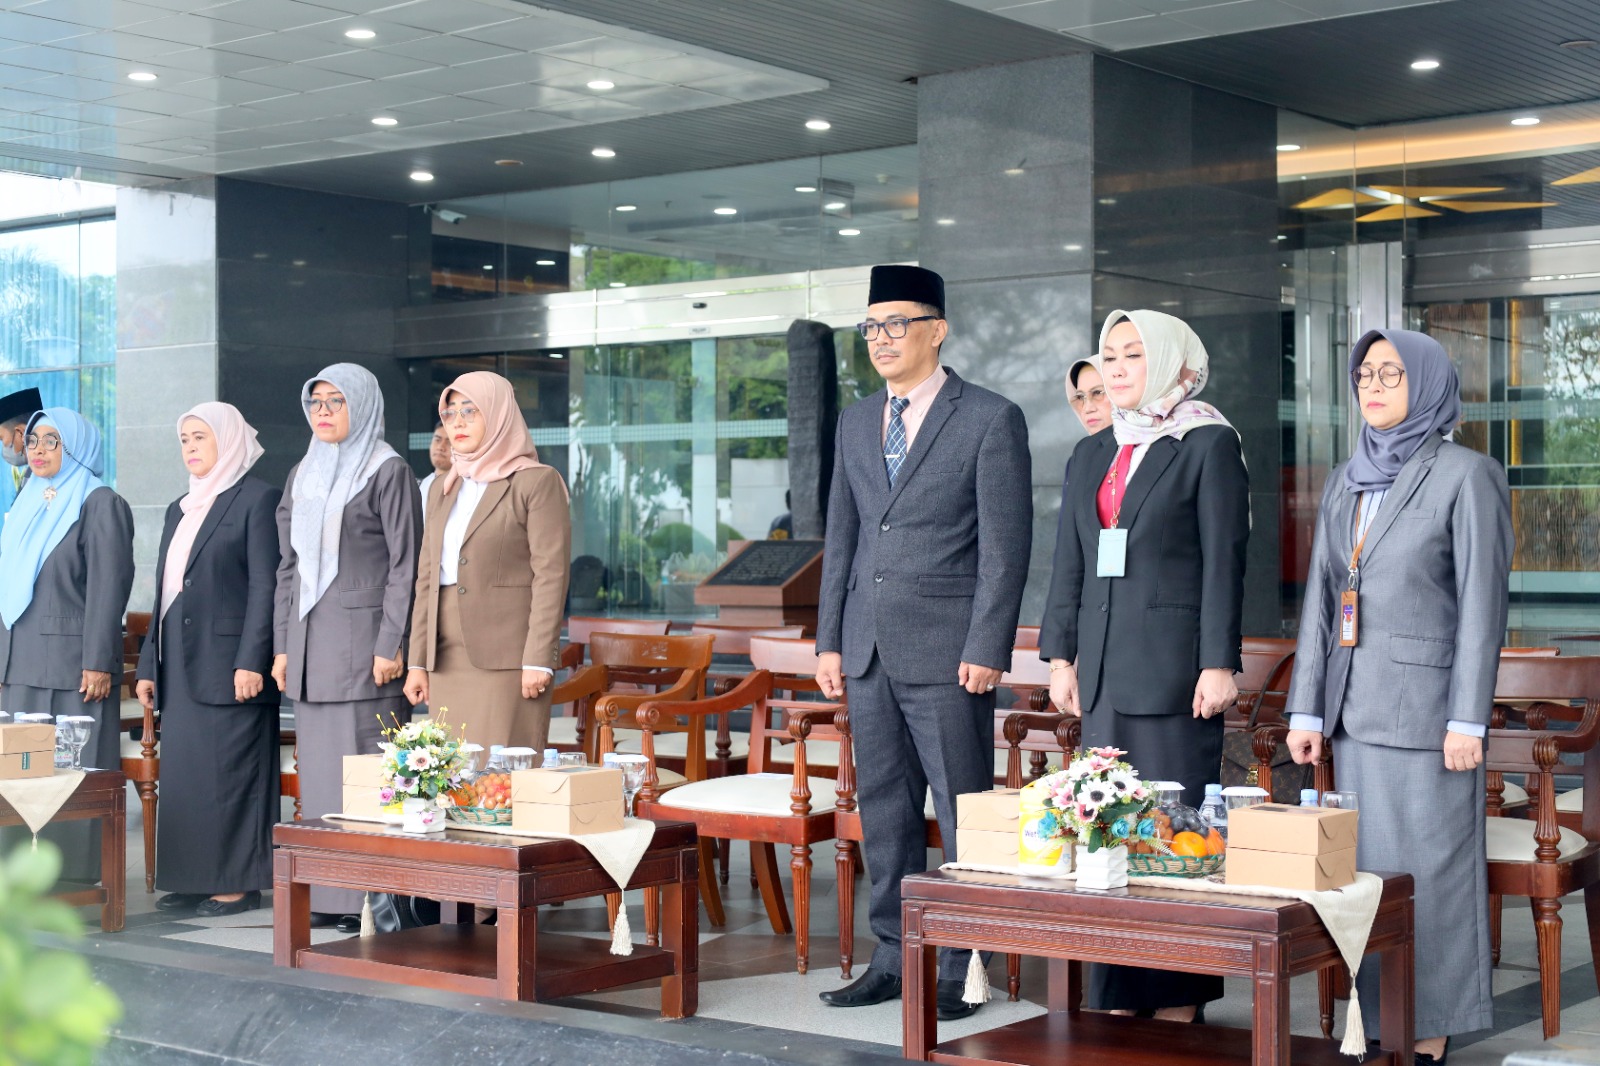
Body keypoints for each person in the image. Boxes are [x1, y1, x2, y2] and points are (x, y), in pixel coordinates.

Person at [815, 264, 1033, 1020]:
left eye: (896, 324)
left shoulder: (989, 418)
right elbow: (841, 537)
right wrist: (829, 642)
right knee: (886, 809)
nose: (881, 339)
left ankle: (963, 962)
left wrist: (988, 644)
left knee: (962, 810)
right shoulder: (853, 421)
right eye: (871, 327)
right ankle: (891, 954)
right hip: (868, 649)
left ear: (935, 330)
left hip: (951, 655)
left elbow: (1006, 549)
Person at [1285, 328, 1509, 1064]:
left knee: (1429, 881)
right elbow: (1323, 600)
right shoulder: (1350, 477)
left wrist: (1467, 717)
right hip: (1353, 716)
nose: (1373, 386)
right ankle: (1379, 1024)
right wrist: (1307, 709)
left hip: (1429, 719)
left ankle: (1428, 1028)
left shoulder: (1465, 474)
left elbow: (1483, 605)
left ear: (1428, 383)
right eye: (1364, 374)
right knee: (1367, 882)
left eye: (1391, 373)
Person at [1039, 309, 1250, 1021]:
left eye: (1134, 354)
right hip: (1098, 676)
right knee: (1106, 838)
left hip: (1173, 676)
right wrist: (1059, 654)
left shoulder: (1205, 441)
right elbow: (1069, 562)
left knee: (1169, 841)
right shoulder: (1092, 453)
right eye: (1110, 355)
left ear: (1168, 360)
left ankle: (1178, 1004)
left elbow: (1226, 561)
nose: (1120, 367)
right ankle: (1114, 1000)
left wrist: (1219, 662)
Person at [273, 364, 421, 931]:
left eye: (337, 401)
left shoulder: (388, 470)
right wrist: (284, 647)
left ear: (361, 404)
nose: (325, 412)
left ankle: (374, 897)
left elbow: (407, 564)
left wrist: (392, 642)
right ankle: (333, 896)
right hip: (311, 648)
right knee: (323, 776)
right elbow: (290, 567)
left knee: (367, 774)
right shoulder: (303, 474)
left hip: (365, 651)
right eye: (316, 402)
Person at [135, 403, 281, 918]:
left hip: (232, 663)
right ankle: (194, 876)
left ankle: (237, 883)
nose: (190, 448)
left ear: (229, 439)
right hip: (179, 659)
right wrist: (148, 665)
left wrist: (252, 659)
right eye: (184, 439)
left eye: (201, 437)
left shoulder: (257, 499)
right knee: (191, 777)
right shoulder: (181, 507)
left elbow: (267, 584)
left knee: (233, 773)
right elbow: (165, 590)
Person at [0, 409, 133, 882]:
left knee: (71, 773)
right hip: (19, 665)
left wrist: (99, 660)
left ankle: (73, 877)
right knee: (22, 776)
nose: (36, 449)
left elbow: (108, 586)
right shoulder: (26, 502)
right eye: (33, 440)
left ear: (76, 447)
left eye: (51, 441)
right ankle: (22, 873)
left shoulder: (99, 503)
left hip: (73, 670)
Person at [404, 371, 570, 750]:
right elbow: (427, 578)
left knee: (499, 780)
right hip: (446, 657)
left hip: (508, 658)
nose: (457, 423)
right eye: (450, 413)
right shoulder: (444, 487)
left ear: (497, 414)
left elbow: (551, 575)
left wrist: (539, 658)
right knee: (452, 776)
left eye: (470, 411)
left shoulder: (536, 481)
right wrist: (418, 661)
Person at [0, 386, 43, 515]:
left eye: (2, 438)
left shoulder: (46, 473)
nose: (4, 445)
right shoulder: (32, 472)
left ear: (20, 433)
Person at [418, 421, 450, 517]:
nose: (440, 447)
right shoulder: (421, 486)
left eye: (449, 442)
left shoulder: (466, 486)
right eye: (437, 440)